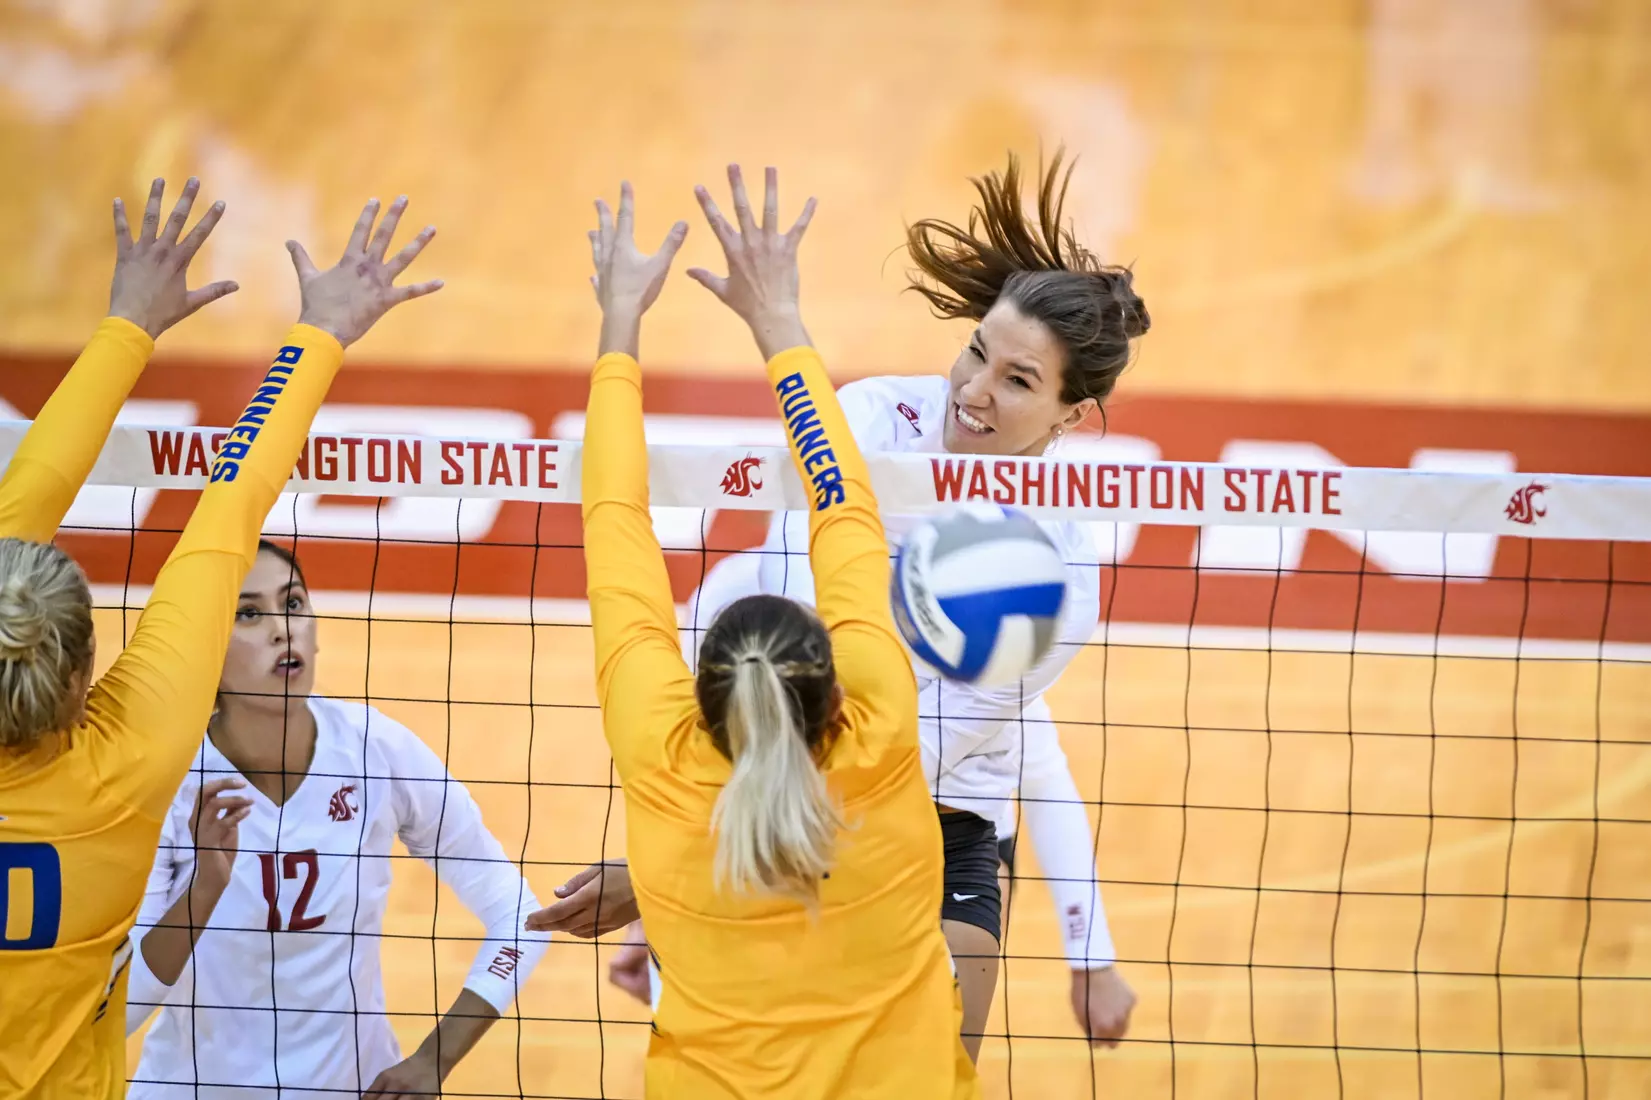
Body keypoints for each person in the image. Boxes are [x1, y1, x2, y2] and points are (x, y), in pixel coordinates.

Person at [538, 151, 1143, 1056]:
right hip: (761, 787)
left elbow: (906, 755)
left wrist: (672, 863)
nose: (972, 391)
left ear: (1068, 414)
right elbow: (766, 629)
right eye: (976, 350)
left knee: (928, 1068)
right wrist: (691, 846)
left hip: (931, 827)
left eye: (1018, 382)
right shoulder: (867, 423)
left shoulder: (1052, 570)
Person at [0, 179, 441, 1097]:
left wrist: (125, 327)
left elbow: (28, 494)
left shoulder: (128, 758)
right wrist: (317, 332)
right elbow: (227, 515)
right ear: (87, 673)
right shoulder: (129, 764)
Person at [576, 165, 977, 1099]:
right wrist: (779, 327)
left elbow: (612, 519)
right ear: (834, 691)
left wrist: (617, 329)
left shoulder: (657, 747)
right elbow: (843, 511)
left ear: (702, 699)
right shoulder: (880, 728)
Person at [123, 540, 549, 1098]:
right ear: (203, 645)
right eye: (249, 613)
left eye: (294, 603)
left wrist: (434, 1059)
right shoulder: (164, 784)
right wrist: (203, 890)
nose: (284, 629)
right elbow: (121, 1008)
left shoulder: (377, 749)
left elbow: (520, 913)